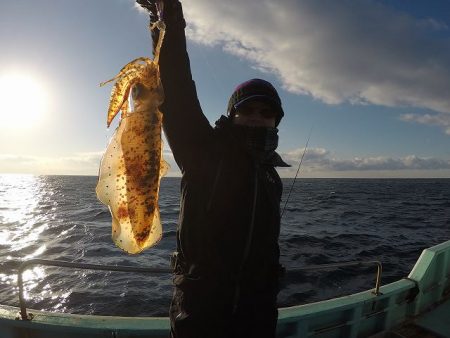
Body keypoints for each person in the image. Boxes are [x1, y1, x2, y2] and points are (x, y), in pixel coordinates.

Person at [139, 1, 289, 337]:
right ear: (233, 115)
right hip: (202, 312)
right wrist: (165, 19)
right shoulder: (202, 151)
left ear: (275, 122)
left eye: (267, 113)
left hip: (258, 311)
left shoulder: (271, 176)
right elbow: (175, 87)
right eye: (248, 110)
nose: (257, 118)